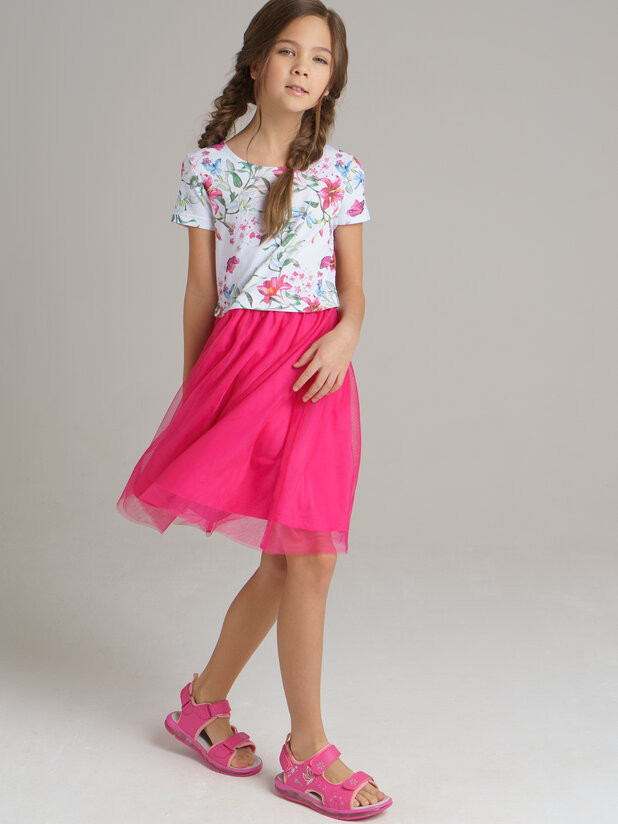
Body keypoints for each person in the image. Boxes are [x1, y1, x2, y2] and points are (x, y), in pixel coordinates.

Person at [116, 0, 392, 818]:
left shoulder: (341, 173)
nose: (303, 68)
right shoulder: (208, 169)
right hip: (244, 367)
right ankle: (306, 751)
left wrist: (346, 337)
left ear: (332, 79)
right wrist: (196, 392)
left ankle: (203, 704)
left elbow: (356, 290)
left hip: (317, 369)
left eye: (319, 58)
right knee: (298, 557)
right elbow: (199, 290)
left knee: (300, 557)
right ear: (255, 62)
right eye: (288, 51)